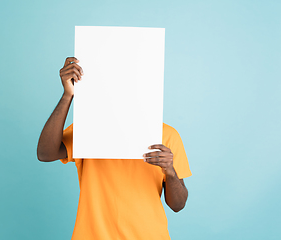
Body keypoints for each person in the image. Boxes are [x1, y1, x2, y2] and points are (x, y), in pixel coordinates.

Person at [37, 57, 192, 240]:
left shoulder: (167, 135)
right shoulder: (89, 129)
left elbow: (178, 205)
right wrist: (67, 95)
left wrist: (171, 172)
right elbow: (45, 153)